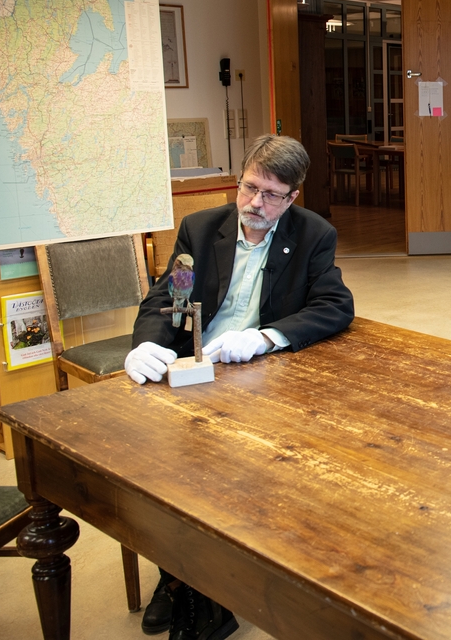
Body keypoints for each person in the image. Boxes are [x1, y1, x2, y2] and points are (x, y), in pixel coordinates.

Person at [124, 134, 354, 639]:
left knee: (234, 480)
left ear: (293, 197)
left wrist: (266, 337)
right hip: (194, 369)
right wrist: (147, 344)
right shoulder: (200, 230)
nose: (255, 203)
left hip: (258, 380)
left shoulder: (314, 235)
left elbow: (335, 306)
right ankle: (180, 581)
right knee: (159, 470)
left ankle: (199, 590)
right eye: (250, 187)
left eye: (272, 195)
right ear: (240, 178)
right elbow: (170, 301)